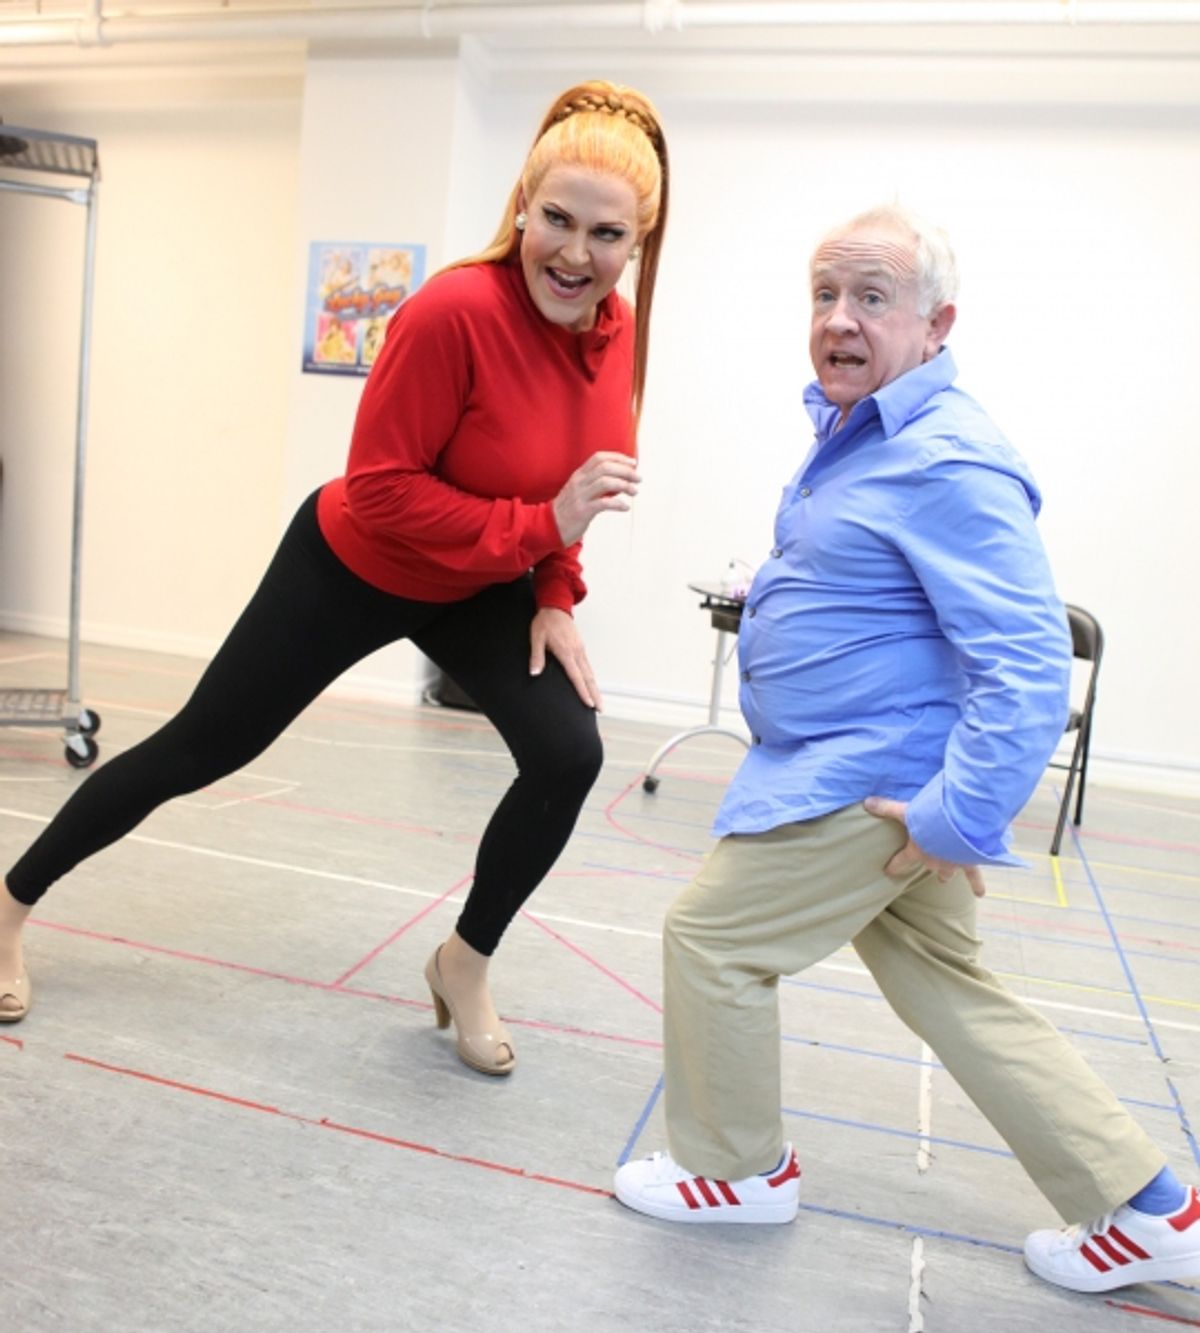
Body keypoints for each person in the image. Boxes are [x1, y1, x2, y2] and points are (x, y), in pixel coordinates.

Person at [0, 80, 670, 1080]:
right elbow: (386, 490)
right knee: (199, 747)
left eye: (606, 234)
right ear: (522, 205)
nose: (575, 253)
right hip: (356, 562)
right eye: (557, 219)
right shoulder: (452, 312)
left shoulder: (615, 339)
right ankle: (10, 903)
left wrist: (555, 595)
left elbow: (577, 485)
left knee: (568, 749)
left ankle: (464, 960)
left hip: (479, 578)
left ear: (638, 242)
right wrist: (543, 529)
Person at [614, 204, 1200, 1293]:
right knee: (946, 981)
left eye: (871, 297)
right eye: (825, 295)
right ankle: (1151, 1206)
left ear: (937, 324)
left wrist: (957, 814)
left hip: (867, 780)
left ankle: (734, 1171)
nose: (839, 319)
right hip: (869, 767)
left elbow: (1025, 659)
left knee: (711, 940)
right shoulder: (869, 434)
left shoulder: (949, 458)